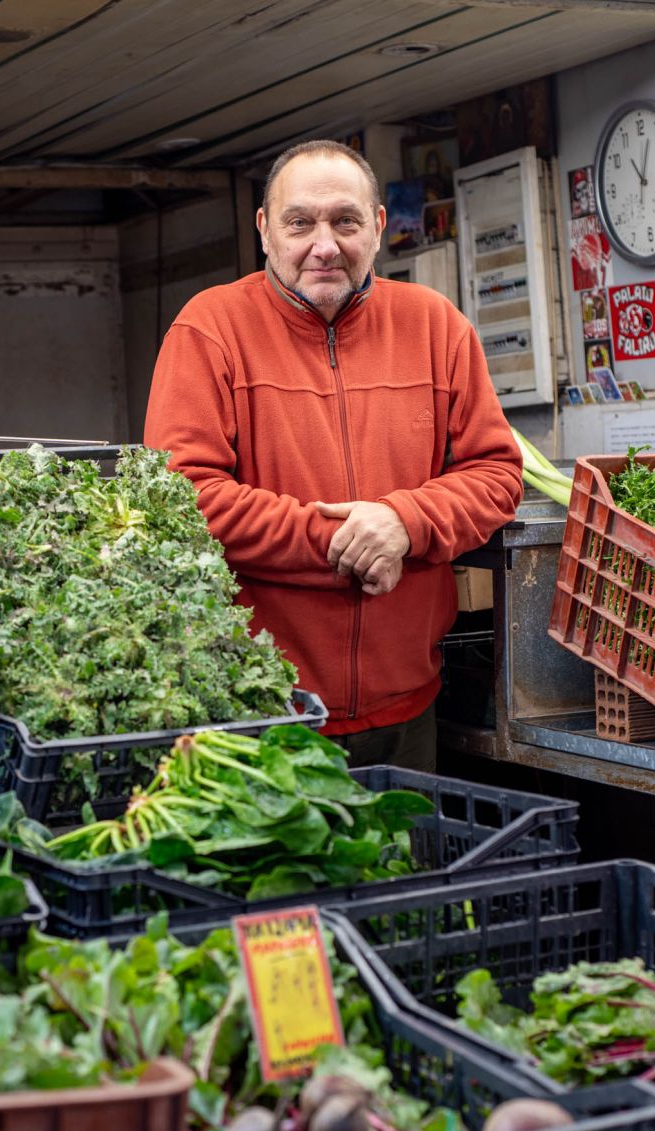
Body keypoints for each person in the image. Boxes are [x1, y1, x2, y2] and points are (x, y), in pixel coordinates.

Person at [143, 139, 522, 772]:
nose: (324, 244)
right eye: (300, 223)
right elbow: (184, 497)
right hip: (257, 712)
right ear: (266, 230)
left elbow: (495, 472)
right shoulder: (209, 329)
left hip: (407, 709)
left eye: (345, 221)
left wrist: (405, 522)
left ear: (376, 227)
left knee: (407, 870)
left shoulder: (436, 325)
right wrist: (343, 541)